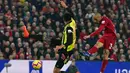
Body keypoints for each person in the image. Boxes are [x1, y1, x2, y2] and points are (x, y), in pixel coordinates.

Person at [53, 1, 76, 73]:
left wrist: (60, 47)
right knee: (56, 70)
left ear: (64, 20)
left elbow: (69, 40)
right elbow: (72, 14)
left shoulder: (68, 28)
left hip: (66, 51)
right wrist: (65, 6)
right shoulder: (72, 22)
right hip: (67, 50)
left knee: (56, 71)